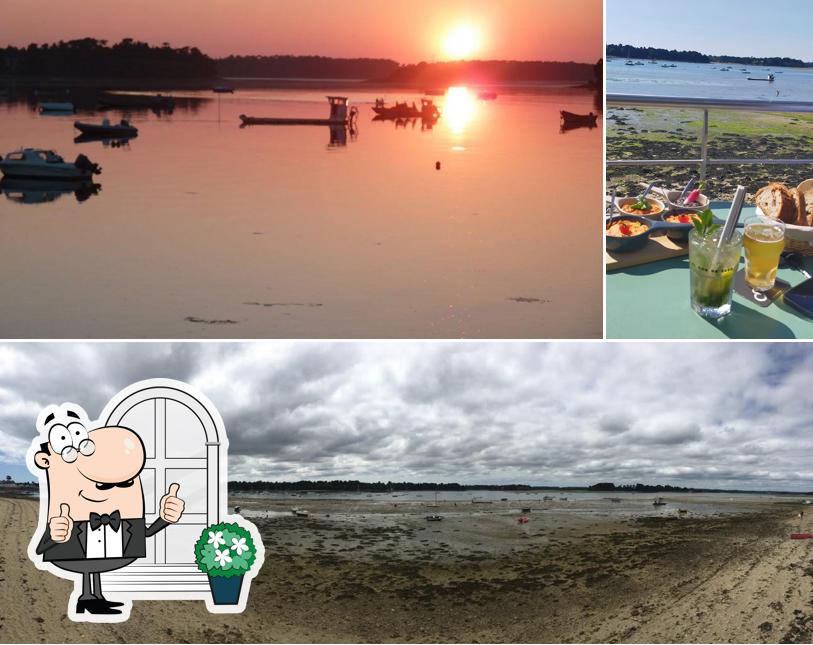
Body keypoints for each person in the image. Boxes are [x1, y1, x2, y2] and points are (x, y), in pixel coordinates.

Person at [32, 406, 185, 616]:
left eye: (126, 484)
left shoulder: (124, 518)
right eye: (103, 484)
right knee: (88, 564)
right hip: (75, 547)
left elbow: (145, 533)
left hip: (109, 549)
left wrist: (166, 518)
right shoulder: (66, 512)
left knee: (93, 566)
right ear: (45, 460)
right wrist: (55, 535)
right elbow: (42, 548)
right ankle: (87, 597)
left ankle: (93, 598)